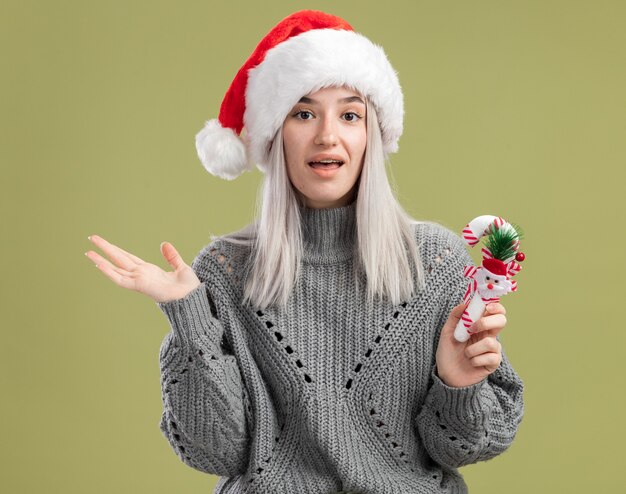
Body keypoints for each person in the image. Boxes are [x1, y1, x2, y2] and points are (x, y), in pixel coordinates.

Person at [85, 10, 524, 494]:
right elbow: (217, 452)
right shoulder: (225, 272)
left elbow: (472, 444)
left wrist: (456, 384)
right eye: (303, 112)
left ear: (372, 136)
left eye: (350, 114)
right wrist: (189, 316)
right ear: (276, 136)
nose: (327, 135)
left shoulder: (436, 262)